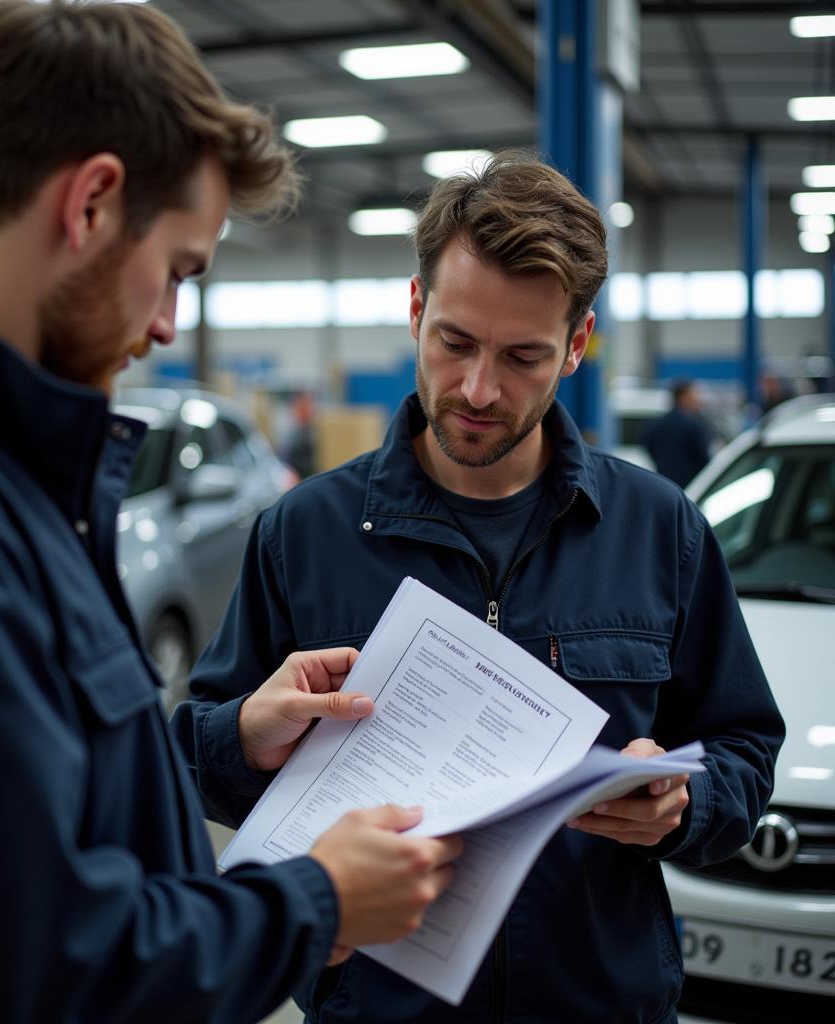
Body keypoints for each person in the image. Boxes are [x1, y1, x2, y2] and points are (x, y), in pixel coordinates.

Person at [0, 2, 463, 1021]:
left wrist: (227, 739)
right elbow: (65, 967)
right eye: (177, 270)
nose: (165, 324)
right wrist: (316, 898)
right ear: (92, 204)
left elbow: (27, 792)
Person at [175, 152, 785, 1023]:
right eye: (454, 342)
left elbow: (744, 749)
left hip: (599, 1003)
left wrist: (685, 806)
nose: (477, 389)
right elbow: (199, 757)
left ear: (577, 345)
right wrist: (244, 738)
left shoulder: (662, 531)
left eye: (523, 357)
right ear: (417, 309)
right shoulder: (302, 532)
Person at [642, 377, 713, 487]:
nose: (698, 400)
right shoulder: (693, 425)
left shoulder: (657, 424)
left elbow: (648, 446)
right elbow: (703, 458)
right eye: (695, 395)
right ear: (683, 397)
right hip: (692, 484)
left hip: (664, 482)